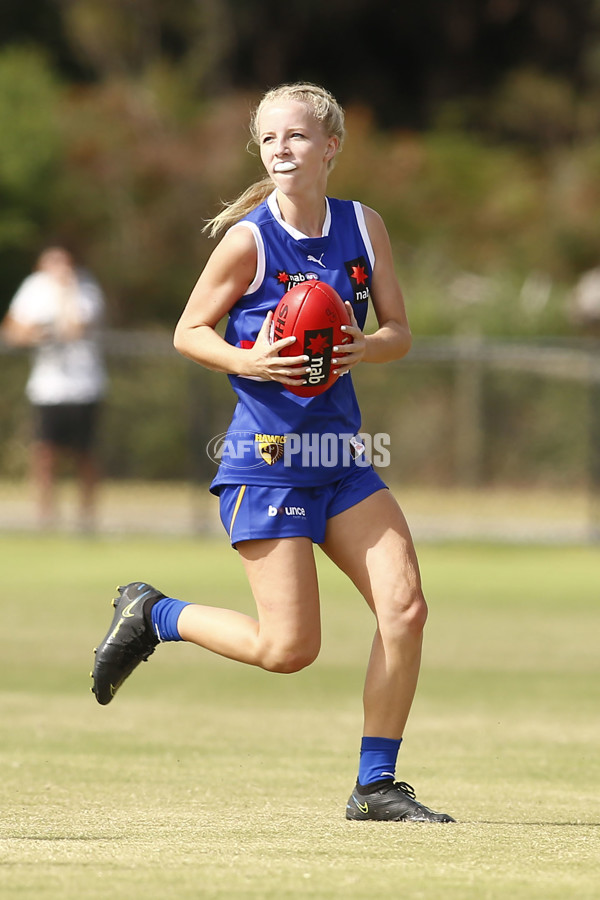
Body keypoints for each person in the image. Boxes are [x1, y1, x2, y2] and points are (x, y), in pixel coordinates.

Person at [91, 83, 455, 823]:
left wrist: (366, 346)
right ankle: (155, 613)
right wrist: (249, 362)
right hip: (267, 462)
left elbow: (399, 332)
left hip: (341, 458)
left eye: (296, 136)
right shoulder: (251, 240)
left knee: (406, 608)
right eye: (268, 139)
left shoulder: (364, 224)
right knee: (289, 649)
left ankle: (376, 784)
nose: (281, 149)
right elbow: (189, 332)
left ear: (331, 147)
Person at [1, 246, 107, 531]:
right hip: (48, 386)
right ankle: (46, 517)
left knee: (85, 453)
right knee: (45, 452)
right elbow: (12, 330)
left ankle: (86, 518)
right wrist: (35, 332)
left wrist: (65, 292)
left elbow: (75, 328)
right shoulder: (33, 288)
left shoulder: (85, 288)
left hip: (85, 385)